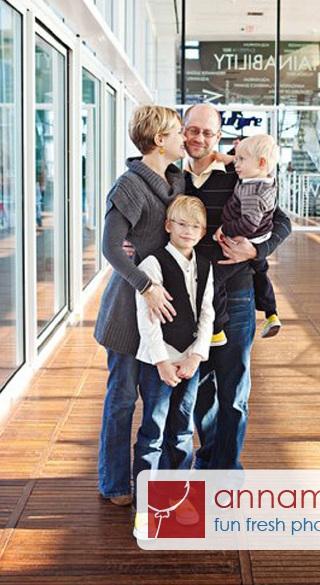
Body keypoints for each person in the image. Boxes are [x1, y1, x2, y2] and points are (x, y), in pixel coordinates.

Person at [179, 103, 292, 470]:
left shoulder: (238, 173)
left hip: (237, 293)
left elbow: (283, 222)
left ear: (218, 136)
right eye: (193, 130)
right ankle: (209, 457)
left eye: (208, 133)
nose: (199, 138)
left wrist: (256, 249)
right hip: (189, 294)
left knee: (233, 390)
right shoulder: (170, 173)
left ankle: (226, 472)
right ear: (182, 131)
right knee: (200, 389)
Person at [93, 105, 185, 507]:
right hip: (129, 311)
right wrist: (146, 285)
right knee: (123, 399)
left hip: (165, 312)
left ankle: (154, 482)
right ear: (160, 139)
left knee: (159, 403)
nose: (185, 139)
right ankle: (114, 483)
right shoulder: (129, 185)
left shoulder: (178, 181)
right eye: (179, 132)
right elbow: (112, 247)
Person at [132, 195, 214, 539]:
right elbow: (147, 320)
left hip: (189, 361)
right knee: (152, 432)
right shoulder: (152, 263)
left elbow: (206, 312)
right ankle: (144, 508)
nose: (188, 231)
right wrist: (163, 362)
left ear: (203, 231)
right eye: (181, 224)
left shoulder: (205, 265)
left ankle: (177, 497)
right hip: (158, 361)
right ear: (168, 226)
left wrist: (196, 356)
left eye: (195, 226)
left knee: (181, 432)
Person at [212, 135, 282, 339]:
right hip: (259, 238)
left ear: (261, 162)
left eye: (241, 159)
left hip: (245, 240)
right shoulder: (264, 179)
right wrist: (221, 156)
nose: (236, 163)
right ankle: (271, 313)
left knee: (214, 280)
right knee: (261, 272)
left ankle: (216, 330)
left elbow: (249, 224)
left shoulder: (252, 190)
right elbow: (236, 161)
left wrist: (226, 229)